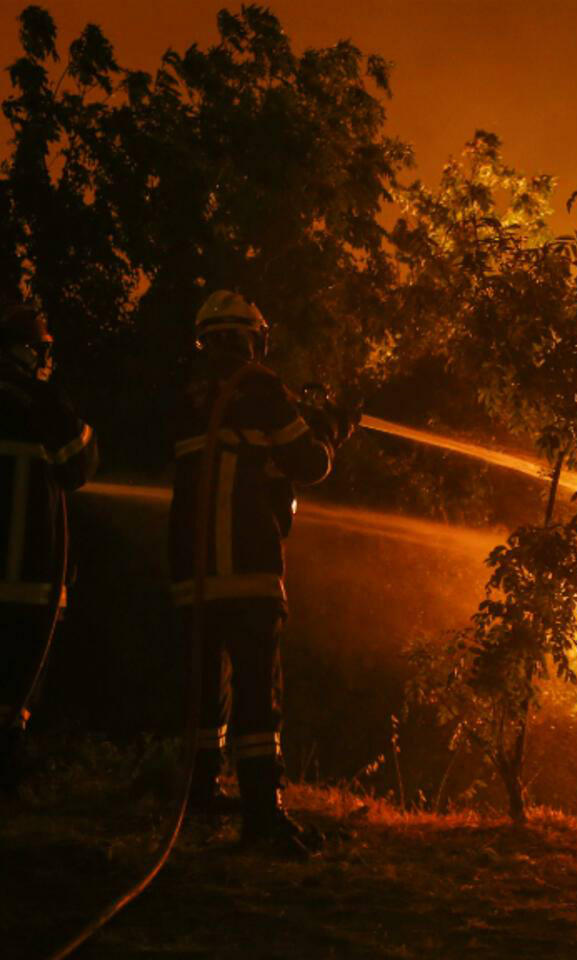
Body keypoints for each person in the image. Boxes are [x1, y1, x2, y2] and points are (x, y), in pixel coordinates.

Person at [169, 290, 354, 856]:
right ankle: (263, 817)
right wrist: (331, 427)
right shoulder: (263, 387)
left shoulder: (187, 395)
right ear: (253, 336)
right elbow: (309, 463)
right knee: (256, 695)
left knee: (206, 691)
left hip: (190, 570)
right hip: (249, 568)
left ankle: (197, 793)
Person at [0, 302, 99, 795]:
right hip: (27, 573)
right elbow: (79, 465)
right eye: (42, 350)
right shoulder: (39, 403)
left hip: (24, 574)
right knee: (17, 680)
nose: (46, 360)